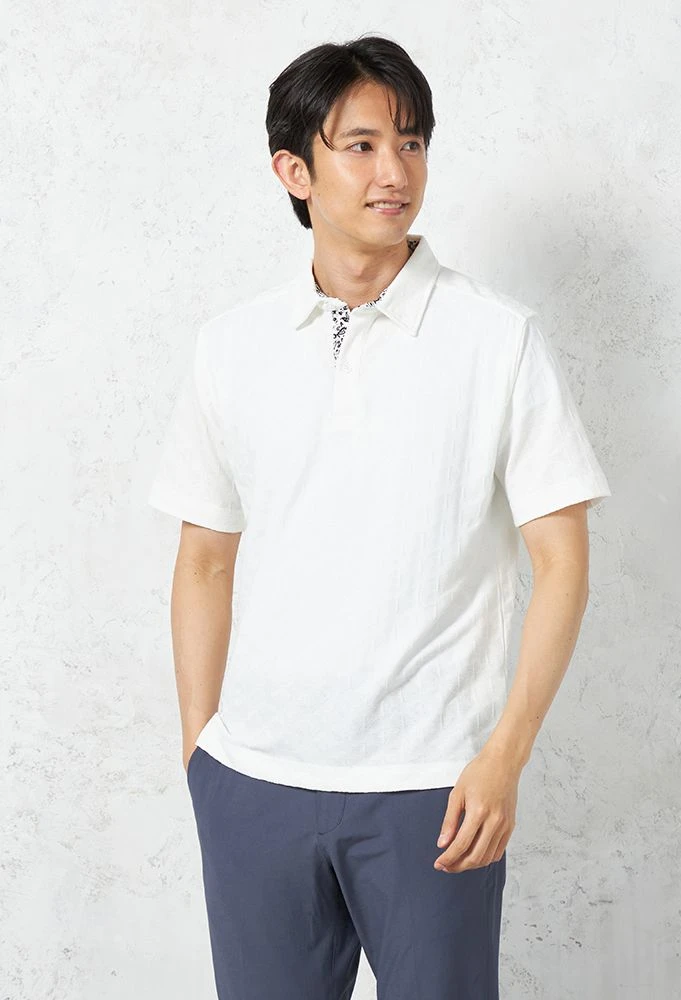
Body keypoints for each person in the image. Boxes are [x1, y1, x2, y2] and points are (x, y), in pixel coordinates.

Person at [147, 33, 612, 1000]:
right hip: (255, 786)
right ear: (294, 171)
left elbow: (562, 562)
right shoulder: (231, 347)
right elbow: (204, 559)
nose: (394, 172)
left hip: (434, 789)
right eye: (360, 146)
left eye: (411, 142)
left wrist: (503, 757)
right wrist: (203, 756)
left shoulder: (498, 340)